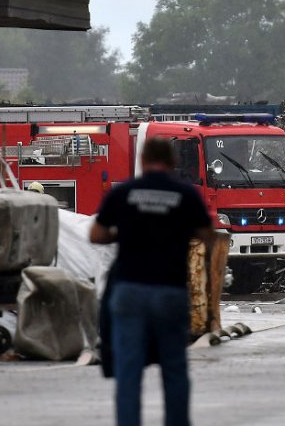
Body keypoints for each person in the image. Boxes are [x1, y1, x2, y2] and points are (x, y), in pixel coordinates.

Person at [90, 137, 215, 426]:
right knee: (174, 368)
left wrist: (124, 234)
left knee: (129, 371)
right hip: (169, 291)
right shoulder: (185, 194)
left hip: (130, 290)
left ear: (143, 160)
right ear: (173, 162)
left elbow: (96, 235)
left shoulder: (125, 193)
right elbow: (208, 235)